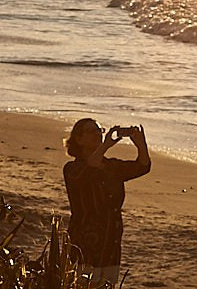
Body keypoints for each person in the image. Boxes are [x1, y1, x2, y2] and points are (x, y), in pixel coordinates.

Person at [63, 118, 150, 282]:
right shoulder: (72, 168)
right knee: (82, 282)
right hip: (84, 236)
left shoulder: (111, 166)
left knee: (106, 283)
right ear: (78, 139)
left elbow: (142, 166)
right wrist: (106, 146)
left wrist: (141, 144)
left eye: (99, 130)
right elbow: (89, 168)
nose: (97, 134)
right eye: (91, 131)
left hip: (111, 235)